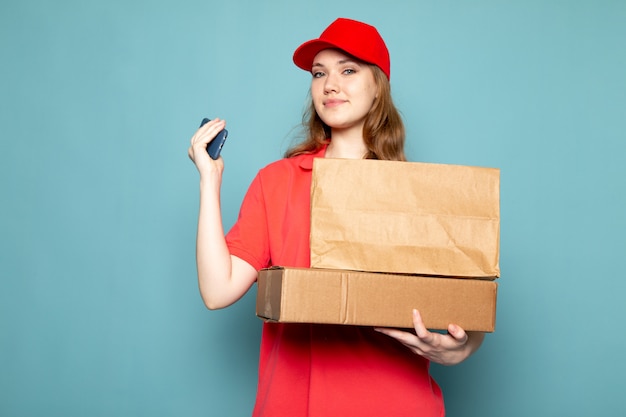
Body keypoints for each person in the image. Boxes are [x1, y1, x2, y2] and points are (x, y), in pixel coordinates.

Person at [188, 17, 485, 417]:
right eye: (319, 73)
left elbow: (466, 304)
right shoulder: (277, 183)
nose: (330, 84)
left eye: (348, 70)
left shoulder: (415, 191)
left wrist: (461, 349)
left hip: (394, 403)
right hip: (293, 405)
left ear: (377, 86)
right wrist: (210, 181)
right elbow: (217, 290)